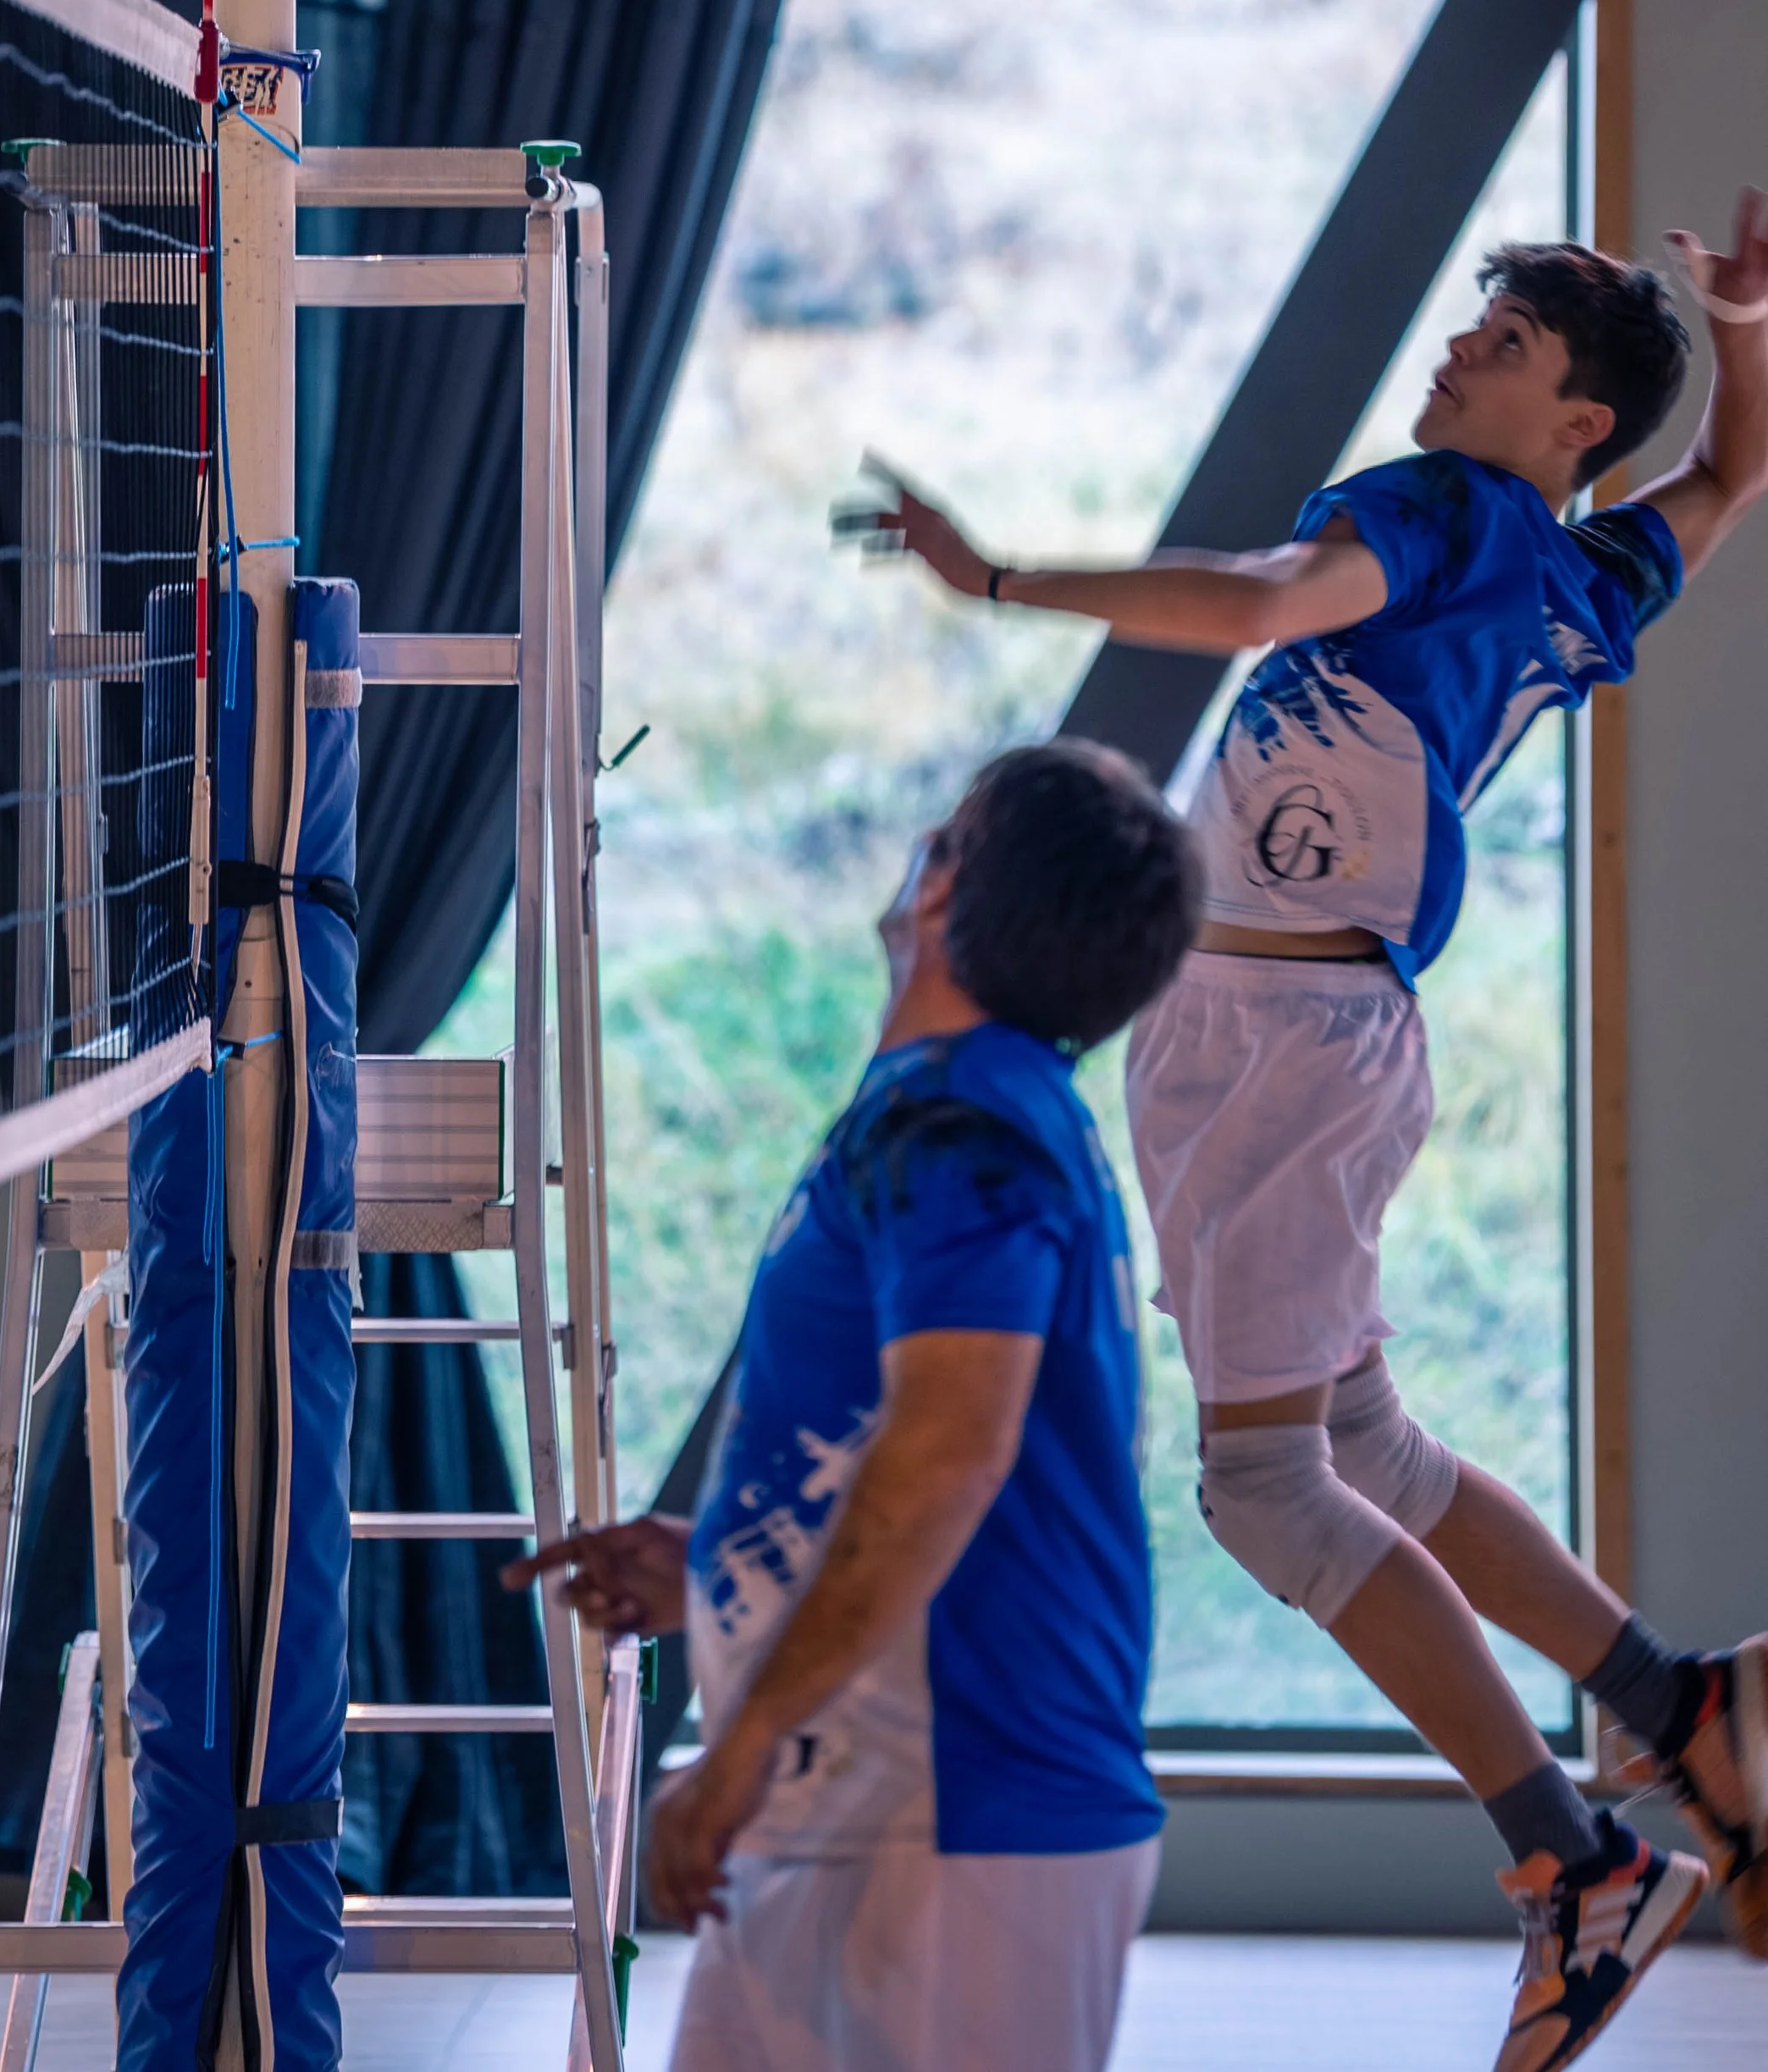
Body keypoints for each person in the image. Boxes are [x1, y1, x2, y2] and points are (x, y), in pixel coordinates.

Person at [849, 197, 1768, 2070]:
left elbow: (1264, 601)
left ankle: (1571, 1855)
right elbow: (1733, 476)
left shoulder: (1437, 511)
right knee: (1352, 1438)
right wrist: (1744, 330)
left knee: (1263, 1483)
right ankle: (1676, 1702)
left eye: (1501, 347)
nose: (1455, 355)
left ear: (1571, 418)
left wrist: (998, 575)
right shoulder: (1582, 579)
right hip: (1299, 1024)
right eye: (1468, 331)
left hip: (1276, 1031)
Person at [509, 738, 1200, 2072]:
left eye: (944, 826)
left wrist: (741, 1740)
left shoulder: (963, 1124)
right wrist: (725, 1569)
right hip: (866, 1802)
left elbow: (949, 1454)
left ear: (945, 887)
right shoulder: (963, 1109)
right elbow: (909, 1449)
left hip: (955, 1811)